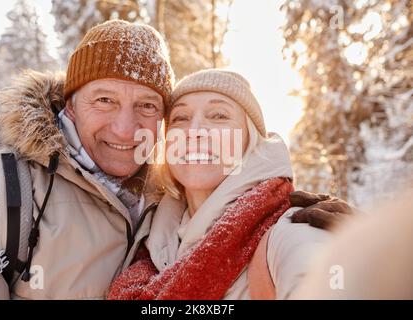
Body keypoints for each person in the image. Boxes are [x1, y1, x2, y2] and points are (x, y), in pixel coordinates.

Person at [0, 20, 350, 300]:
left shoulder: (283, 232)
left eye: (147, 105)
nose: (126, 128)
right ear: (71, 104)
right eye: (104, 99)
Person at [107, 69, 350, 300]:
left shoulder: (290, 233)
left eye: (219, 116)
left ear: (250, 141)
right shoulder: (147, 247)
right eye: (181, 118)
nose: (194, 131)